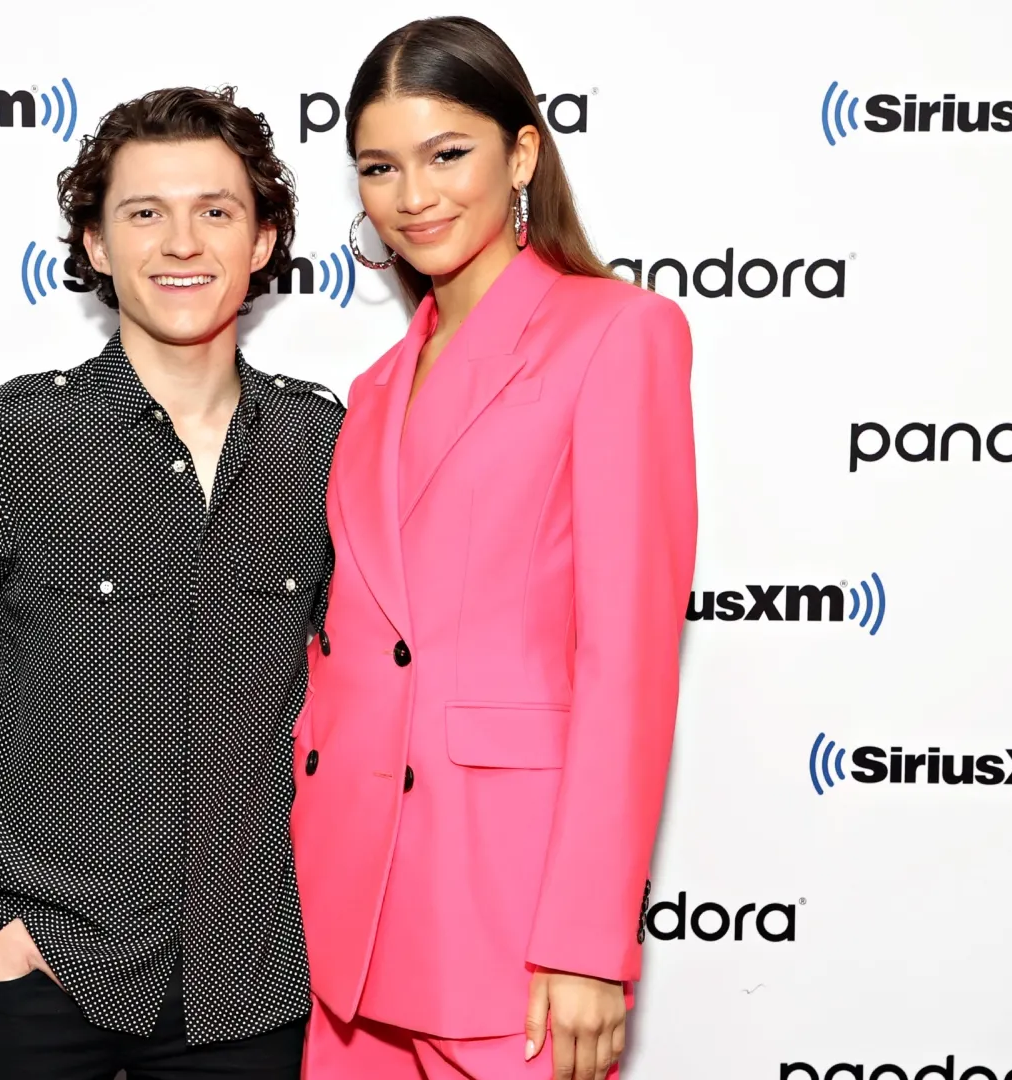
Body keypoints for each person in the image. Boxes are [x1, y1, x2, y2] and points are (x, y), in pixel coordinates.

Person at [0, 86, 342, 1080]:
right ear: (92, 244)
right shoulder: (7, 441)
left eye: (216, 211)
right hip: (43, 974)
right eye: (143, 213)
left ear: (263, 242)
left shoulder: (324, 445)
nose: (182, 243)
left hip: (250, 986)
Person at [289, 17, 698, 1080]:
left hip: (509, 920)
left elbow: (628, 663)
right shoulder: (377, 390)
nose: (412, 194)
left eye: (447, 154)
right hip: (347, 924)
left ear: (521, 154)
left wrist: (584, 943)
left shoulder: (618, 332)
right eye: (379, 167)